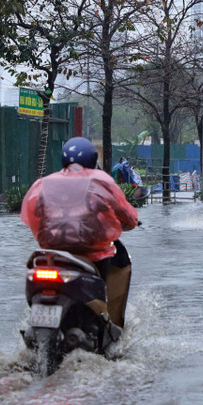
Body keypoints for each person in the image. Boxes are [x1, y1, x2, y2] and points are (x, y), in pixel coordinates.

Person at [20, 137, 139, 329]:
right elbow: (127, 216)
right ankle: (112, 324)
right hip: (91, 255)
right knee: (119, 262)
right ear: (92, 159)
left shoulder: (44, 183)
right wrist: (130, 221)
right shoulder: (101, 182)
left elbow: (31, 214)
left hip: (52, 254)